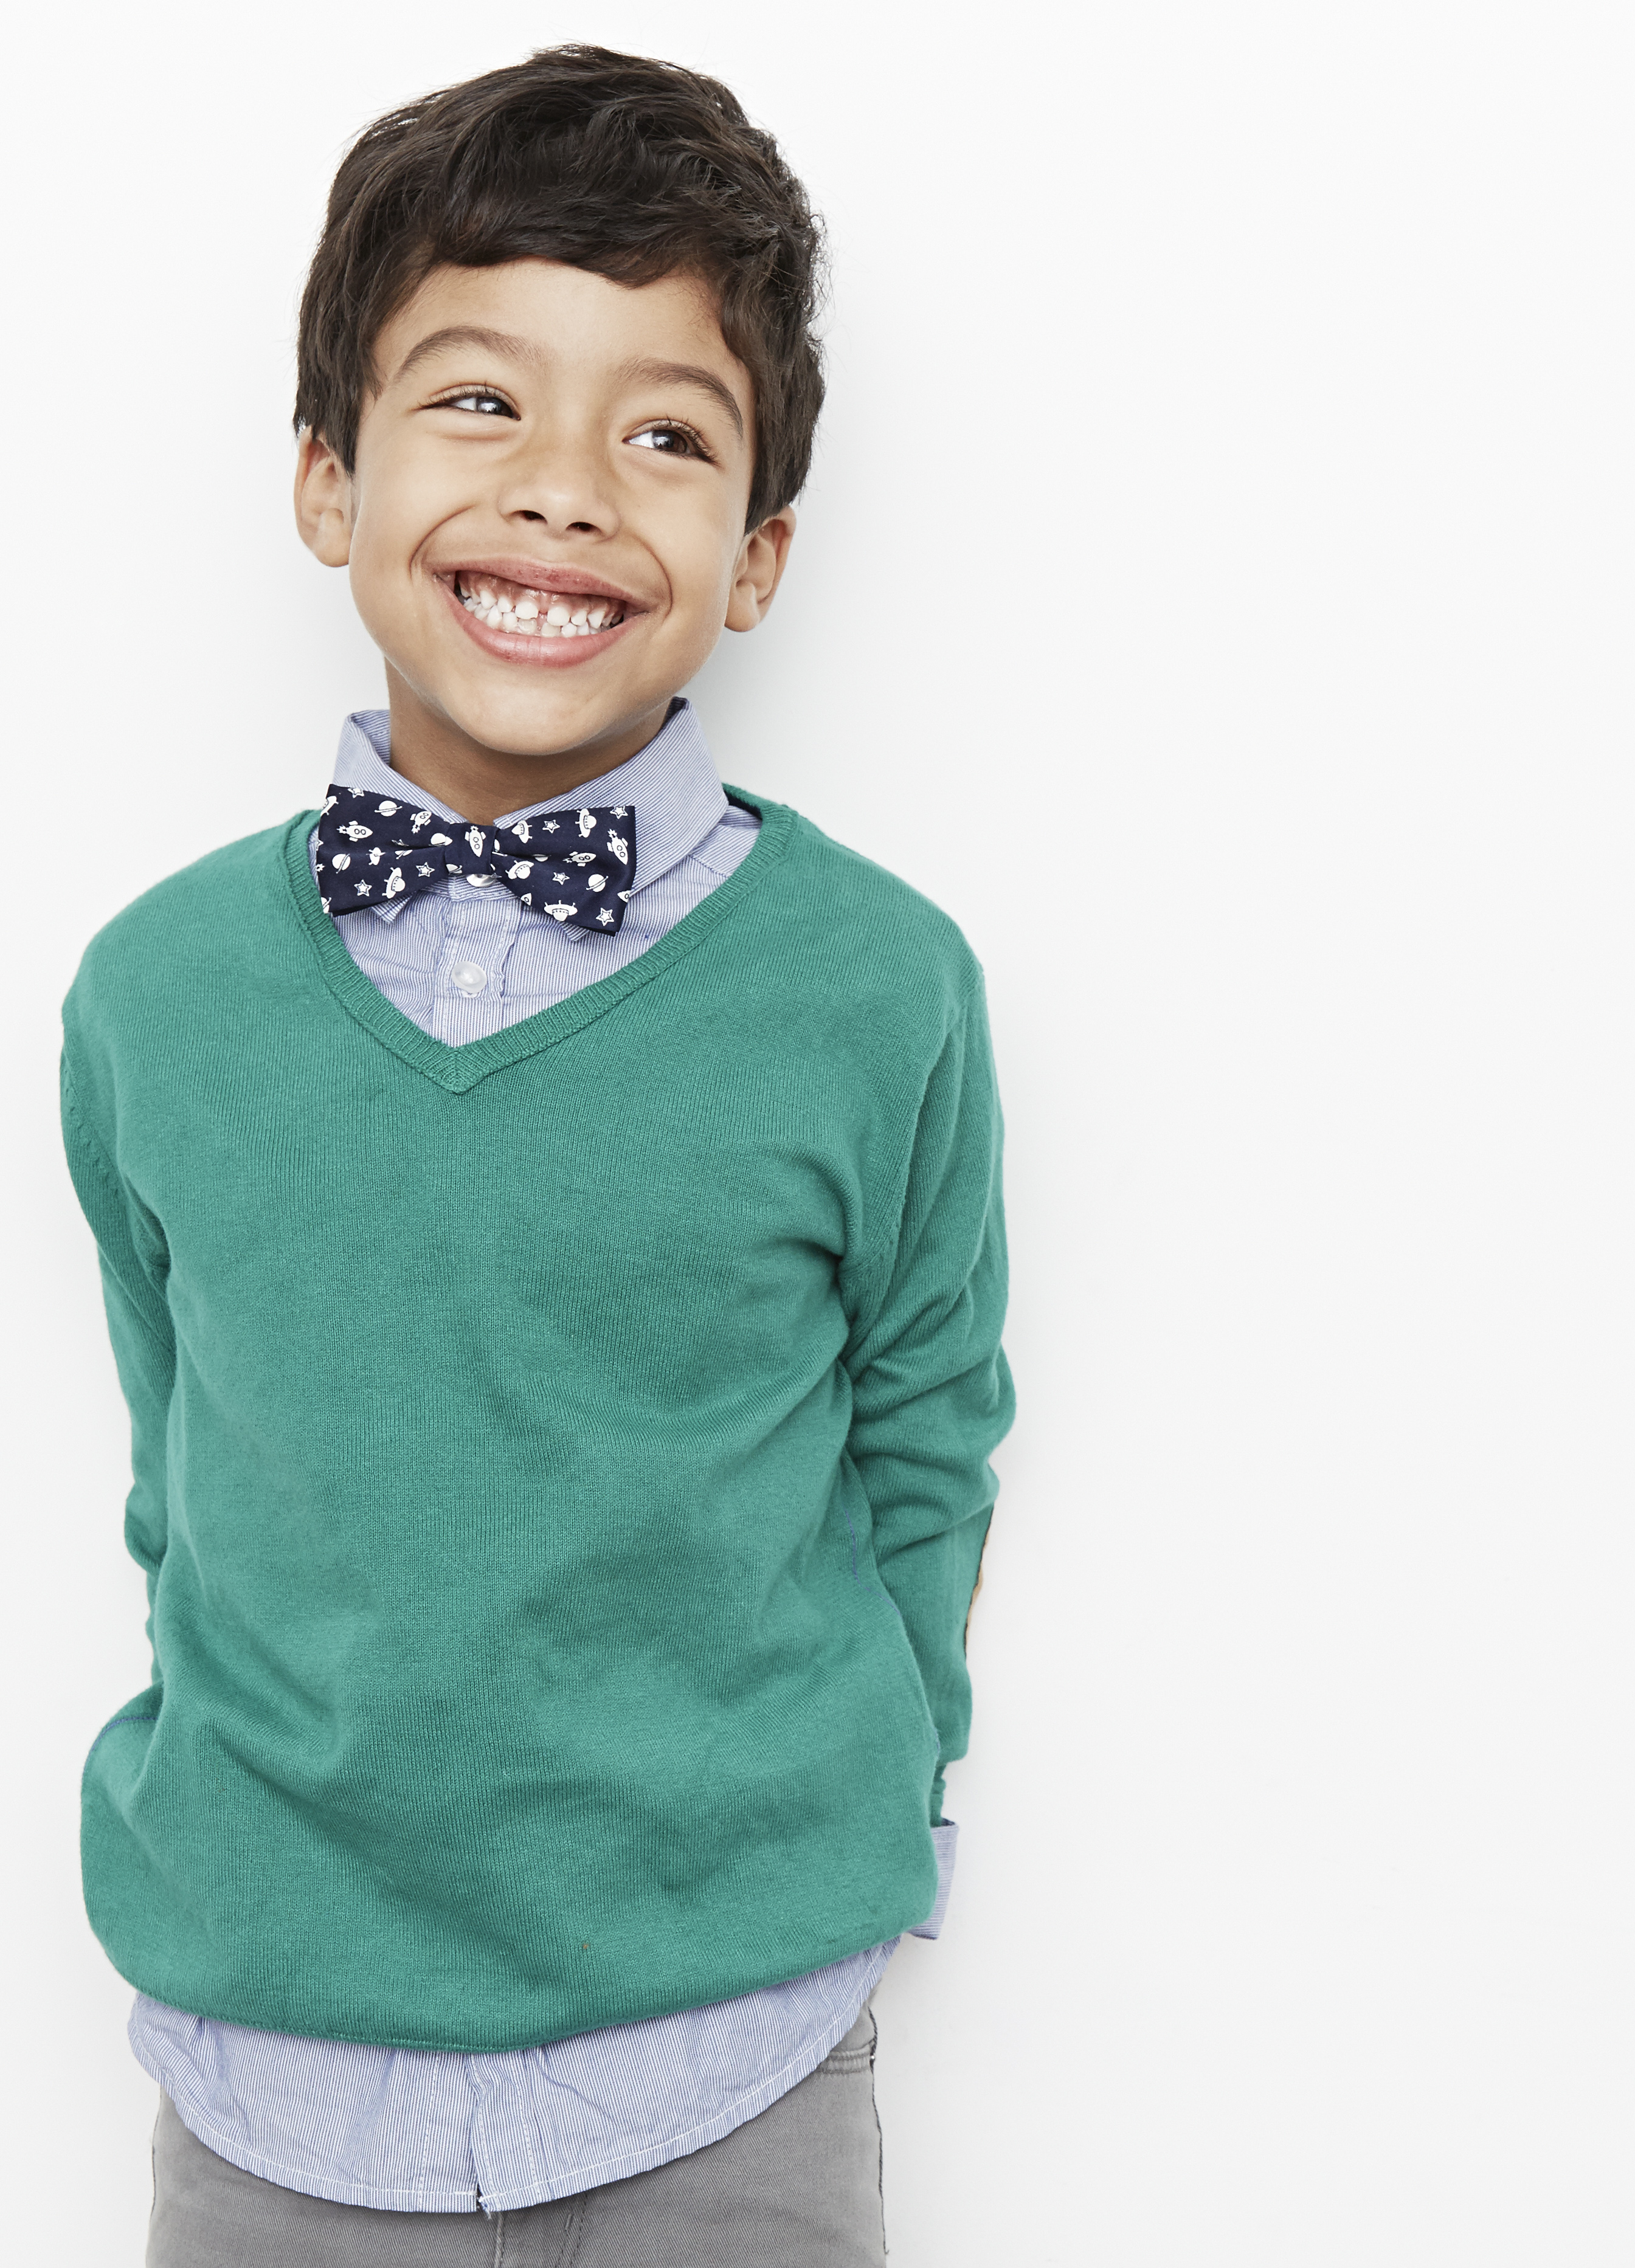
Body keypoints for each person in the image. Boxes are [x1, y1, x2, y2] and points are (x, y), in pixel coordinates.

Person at [55, 46, 1012, 2265]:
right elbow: (183, 1443)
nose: (570, 488)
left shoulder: (881, 990)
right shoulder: (153, 993)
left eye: (666, 434)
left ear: (758, 552)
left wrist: (884, 1810)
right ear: (326, 475)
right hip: (275, 2051)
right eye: (480, 401)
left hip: (736, 2042)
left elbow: (925, 1429)